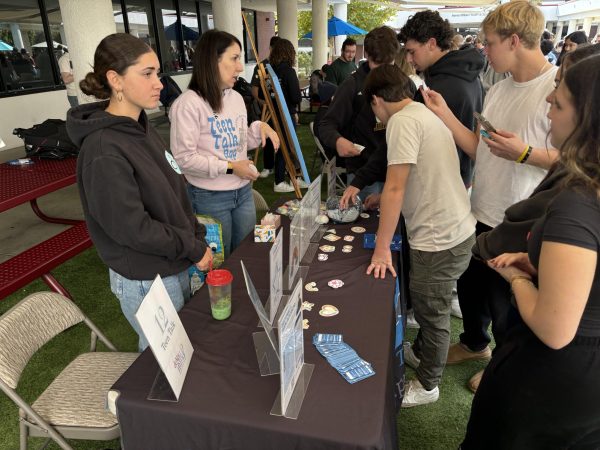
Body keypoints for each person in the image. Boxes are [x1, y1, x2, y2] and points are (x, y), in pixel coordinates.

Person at [461, 53, 600, 450]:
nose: (547, 107)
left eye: (558, 103)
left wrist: (520, 277)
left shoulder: (577, 202)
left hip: (553, 377)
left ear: (586, 118)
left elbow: (554, 328)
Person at [422, 1, 559, 393]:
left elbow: (579, 161)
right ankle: (475, 344)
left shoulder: (556, 88)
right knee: (472, 291)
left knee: (507, 309)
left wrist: (526, 153)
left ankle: (504, 367)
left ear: (515, 40)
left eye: (490, 43)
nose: (484, 50)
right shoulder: (497, 88)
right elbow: (478, 149)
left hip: (521, 220)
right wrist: (445, 113)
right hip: (481, 210)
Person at [66, 33, 212, 351]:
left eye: (157, 73)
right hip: (149, 277)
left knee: (186, 352)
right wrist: (191, 246)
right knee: (166, 364)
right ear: (115, 80)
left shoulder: (141, 126)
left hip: (175, 263)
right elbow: (133, 229)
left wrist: (194, 238)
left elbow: (171, 194)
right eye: (147, 74)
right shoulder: (103, 149)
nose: (158, 83)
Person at [364, 64, 476, 408]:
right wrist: (382, 197)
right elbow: (421, 171)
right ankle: (421, 354)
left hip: (439, 237)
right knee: (431, 306)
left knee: (432, 312)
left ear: (376, 100)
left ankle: (428, 385)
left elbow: (397, 185)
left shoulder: (401, 121)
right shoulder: (420, 113)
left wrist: (382, 248)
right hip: (453, 227)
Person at [170, 30, 279, 258]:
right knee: (217, 262)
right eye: (235, 58)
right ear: (213, 60)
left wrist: (260, 128)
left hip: (243, 191)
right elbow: (183, 159)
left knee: (245, 253)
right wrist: (230, 167)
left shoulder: (235, 98)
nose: (240, 67)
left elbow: (239, 142)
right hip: (209, 196)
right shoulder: (188, 104)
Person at [398, 10, 484, 188]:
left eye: (412, 52)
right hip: (464, 177)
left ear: (431, 43)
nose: (408, 59)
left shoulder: (440, 86)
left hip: (442, 185)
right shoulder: (469, 74)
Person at [320, 26, 400, 203]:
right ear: (368, 57)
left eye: (389, 64)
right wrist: (338, 140)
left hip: (396, 171)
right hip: (362, 173)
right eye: (378, 64)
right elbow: (326, 124)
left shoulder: (404, 83)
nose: (383, 72)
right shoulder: (352, 84)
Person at [268, 38, 305, 193]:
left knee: (285, 147)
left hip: (275, 113)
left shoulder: (271, 70)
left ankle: (294, 177)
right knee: (287, 147)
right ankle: (279, 181)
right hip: (286, 114)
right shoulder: (289, 71)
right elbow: (296, 97)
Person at [250, 35, 279, 179]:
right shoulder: (261, 66)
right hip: (266, 108)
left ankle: (283, 167)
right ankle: (268, 166)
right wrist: (260, 101)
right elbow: (254, 87)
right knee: (266, 137)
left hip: (280, 109)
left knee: (282, 137)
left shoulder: (282, 66)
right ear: (271, 48)